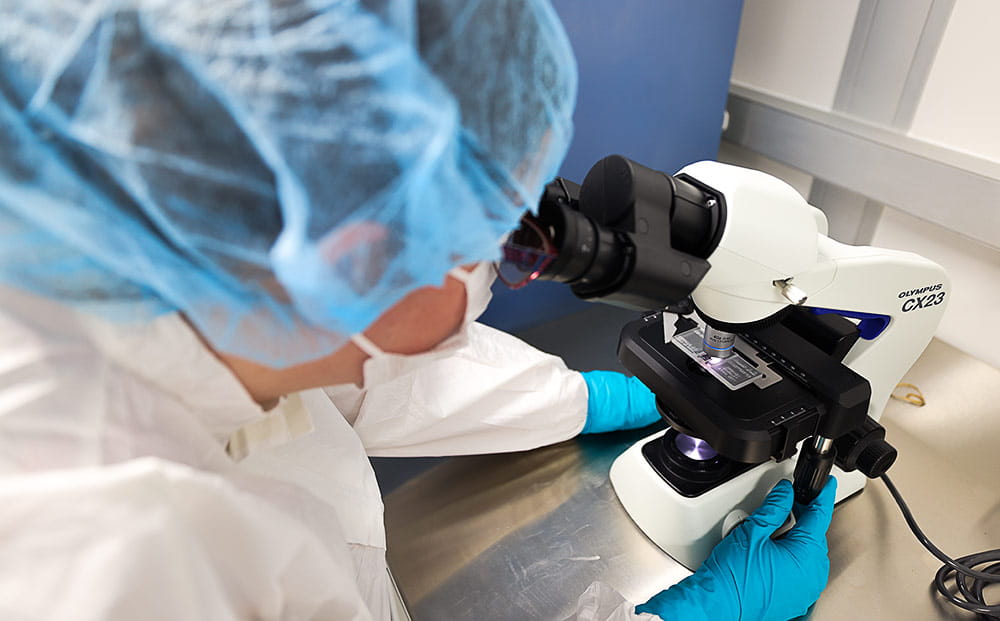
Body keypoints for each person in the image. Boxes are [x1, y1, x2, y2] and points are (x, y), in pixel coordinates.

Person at [0, 1, 835, 619]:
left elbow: (345, 372)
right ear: (350, 259)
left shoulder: (164, 280)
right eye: (496, 241)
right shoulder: (131, 563)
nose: (510, 268)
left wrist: (588, 398)